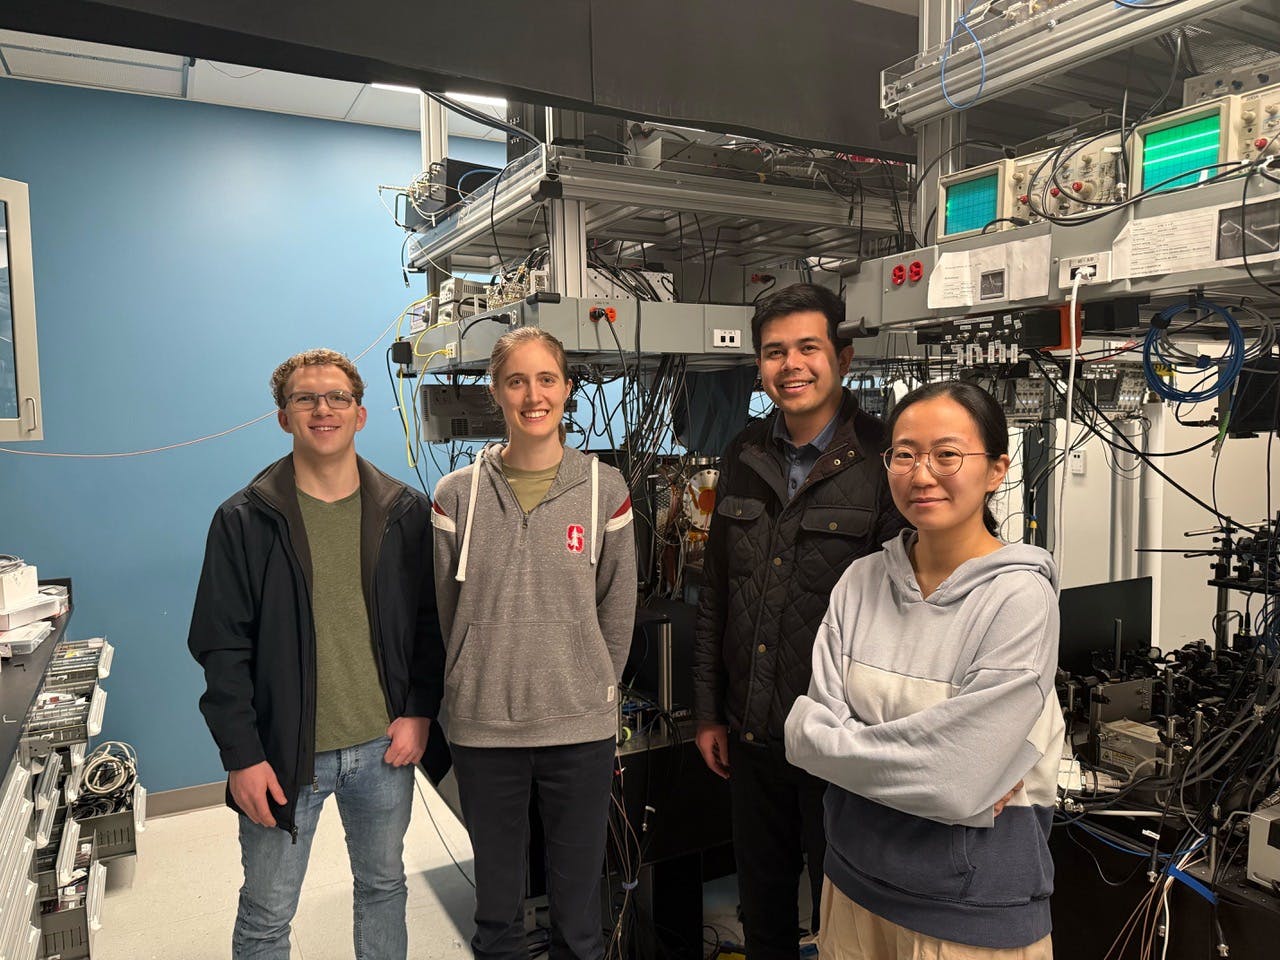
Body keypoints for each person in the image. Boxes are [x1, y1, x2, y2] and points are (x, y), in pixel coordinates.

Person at [784, 380, 1063, 959]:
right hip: (851, 887)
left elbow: (954, 779)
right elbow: (803, 739)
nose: (922, 473)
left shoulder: (1018, 599)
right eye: (904, 453)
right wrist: (941, 766)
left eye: (947, 454)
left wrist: (852, 747)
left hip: (969, 912)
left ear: (996, 470)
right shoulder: (860, 582)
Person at [188, 348, 443, 960]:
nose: (321, 409)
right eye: (305, 398)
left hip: (382, 748)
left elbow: (429, 624)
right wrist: (242, 755)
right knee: (268, 912)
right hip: (282, 754)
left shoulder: (404, 512)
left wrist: (419, 711)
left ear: (360, 415)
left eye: (337, 398)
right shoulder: (245, 520)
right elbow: (221, 646)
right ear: (284, 417)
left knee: (383, 888)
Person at [690, 283, 907, 957]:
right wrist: (708, 713)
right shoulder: (743, 455)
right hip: (755, 738)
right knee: (765, 918)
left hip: (842, 748)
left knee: (846, 924)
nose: (792, 365)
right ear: (759, 366)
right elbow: (716, 594)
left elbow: (907, 609)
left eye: (808, 347)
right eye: (775, 352)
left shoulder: (884, 460)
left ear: (840, 356)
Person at [431, 326, 637, 960]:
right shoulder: (455, 496)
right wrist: (475, 671)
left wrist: (593, 683)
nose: (533, 394)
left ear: (567, 389)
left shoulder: (606, 490)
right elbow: (446, 613)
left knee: (578, 917)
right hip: (485, 727)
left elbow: (617, 608)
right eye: (516, 380)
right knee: (497, 912)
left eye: (546, 379)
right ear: (496, 392)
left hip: (579, 727)